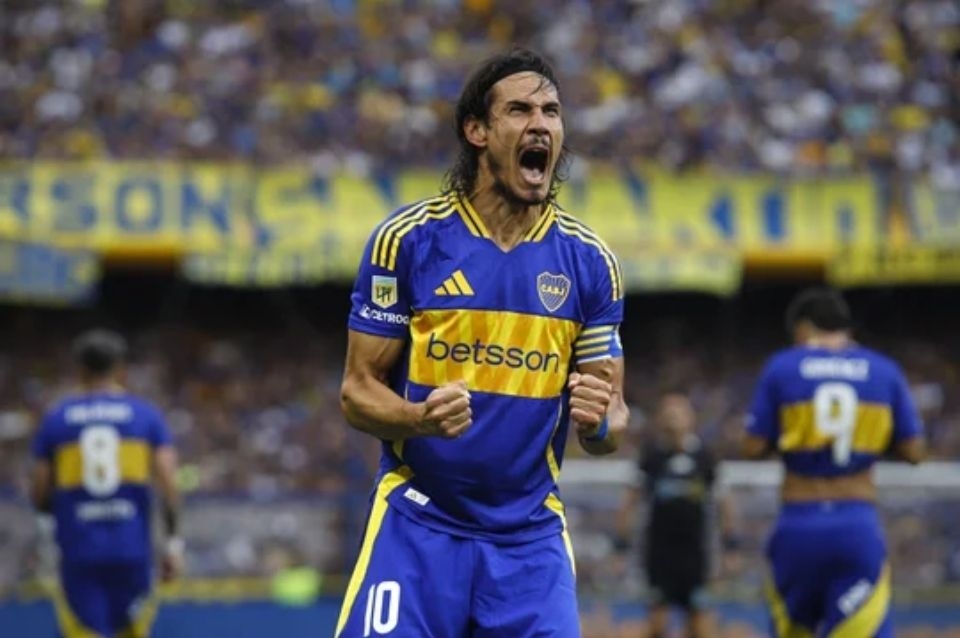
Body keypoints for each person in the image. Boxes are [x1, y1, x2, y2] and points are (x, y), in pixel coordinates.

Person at [336, 47, 628, 638]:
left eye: (551, 111)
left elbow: (612, 419)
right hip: (418, 524)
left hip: (529, 539)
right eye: (520, 110)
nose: (540, 124)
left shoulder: (590, 262)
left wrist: (600, 422)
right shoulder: (408, 241)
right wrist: (418, 418)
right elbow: (356, 392)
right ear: (477, 131)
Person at [743, 287, 926, 637]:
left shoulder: (782, 366)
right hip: (856, 523)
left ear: (803, 328)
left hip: (798, 524)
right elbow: (914, 451)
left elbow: (753, 446)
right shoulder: (883, 370)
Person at [30, 329, 182, 638]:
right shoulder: (146, 416)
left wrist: (47, 535)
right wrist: (173, 545)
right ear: (121, 369)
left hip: (78, 549)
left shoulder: (57, 418)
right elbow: (168, 484)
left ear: (80, 370)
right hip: (131, 549)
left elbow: (40, 489)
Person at [615, 391, 735, 638]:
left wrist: (731, 545)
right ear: (659, 418)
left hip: (697, 556)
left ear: (691, 417)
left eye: (678, 411)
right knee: (657, 624)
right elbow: (631, 500)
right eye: (667, 412)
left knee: (700, 625)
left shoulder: (705, 457)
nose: (673, 417)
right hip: (659, 555)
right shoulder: (650, 457)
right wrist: (621, 542)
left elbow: (724, 502)